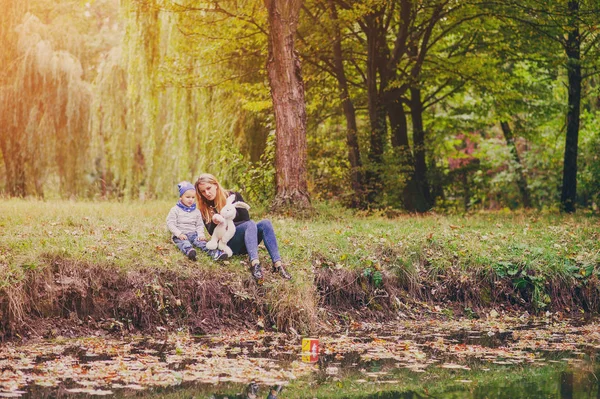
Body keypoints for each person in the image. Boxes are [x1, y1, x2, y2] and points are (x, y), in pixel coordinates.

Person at [194, 173, 292, 282]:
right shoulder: (204, 209)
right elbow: (213, 233)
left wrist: (228, 221)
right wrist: (215, 222)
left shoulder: (233, 196)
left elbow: (246, 220)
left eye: (209, 188)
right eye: (203, 191)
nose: (207, 193)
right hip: (229, 244)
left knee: (265, 223)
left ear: (215, 185)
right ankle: (255, 264)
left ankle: (278, 265)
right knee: (249, 225)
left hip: (247, 240)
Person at [166, 181, 228, 261]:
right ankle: (189, 251)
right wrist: (179, 234)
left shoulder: (196, 212)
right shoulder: (175, 210)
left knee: (202, 243)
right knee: (184, 243)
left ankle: (215, 253)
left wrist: (200, 235)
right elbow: (170, 223)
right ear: (181, 197)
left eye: (193, 197)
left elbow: (199, 225)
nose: (190, 200)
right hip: (181, 235)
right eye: (187, 197)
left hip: (193, 234)